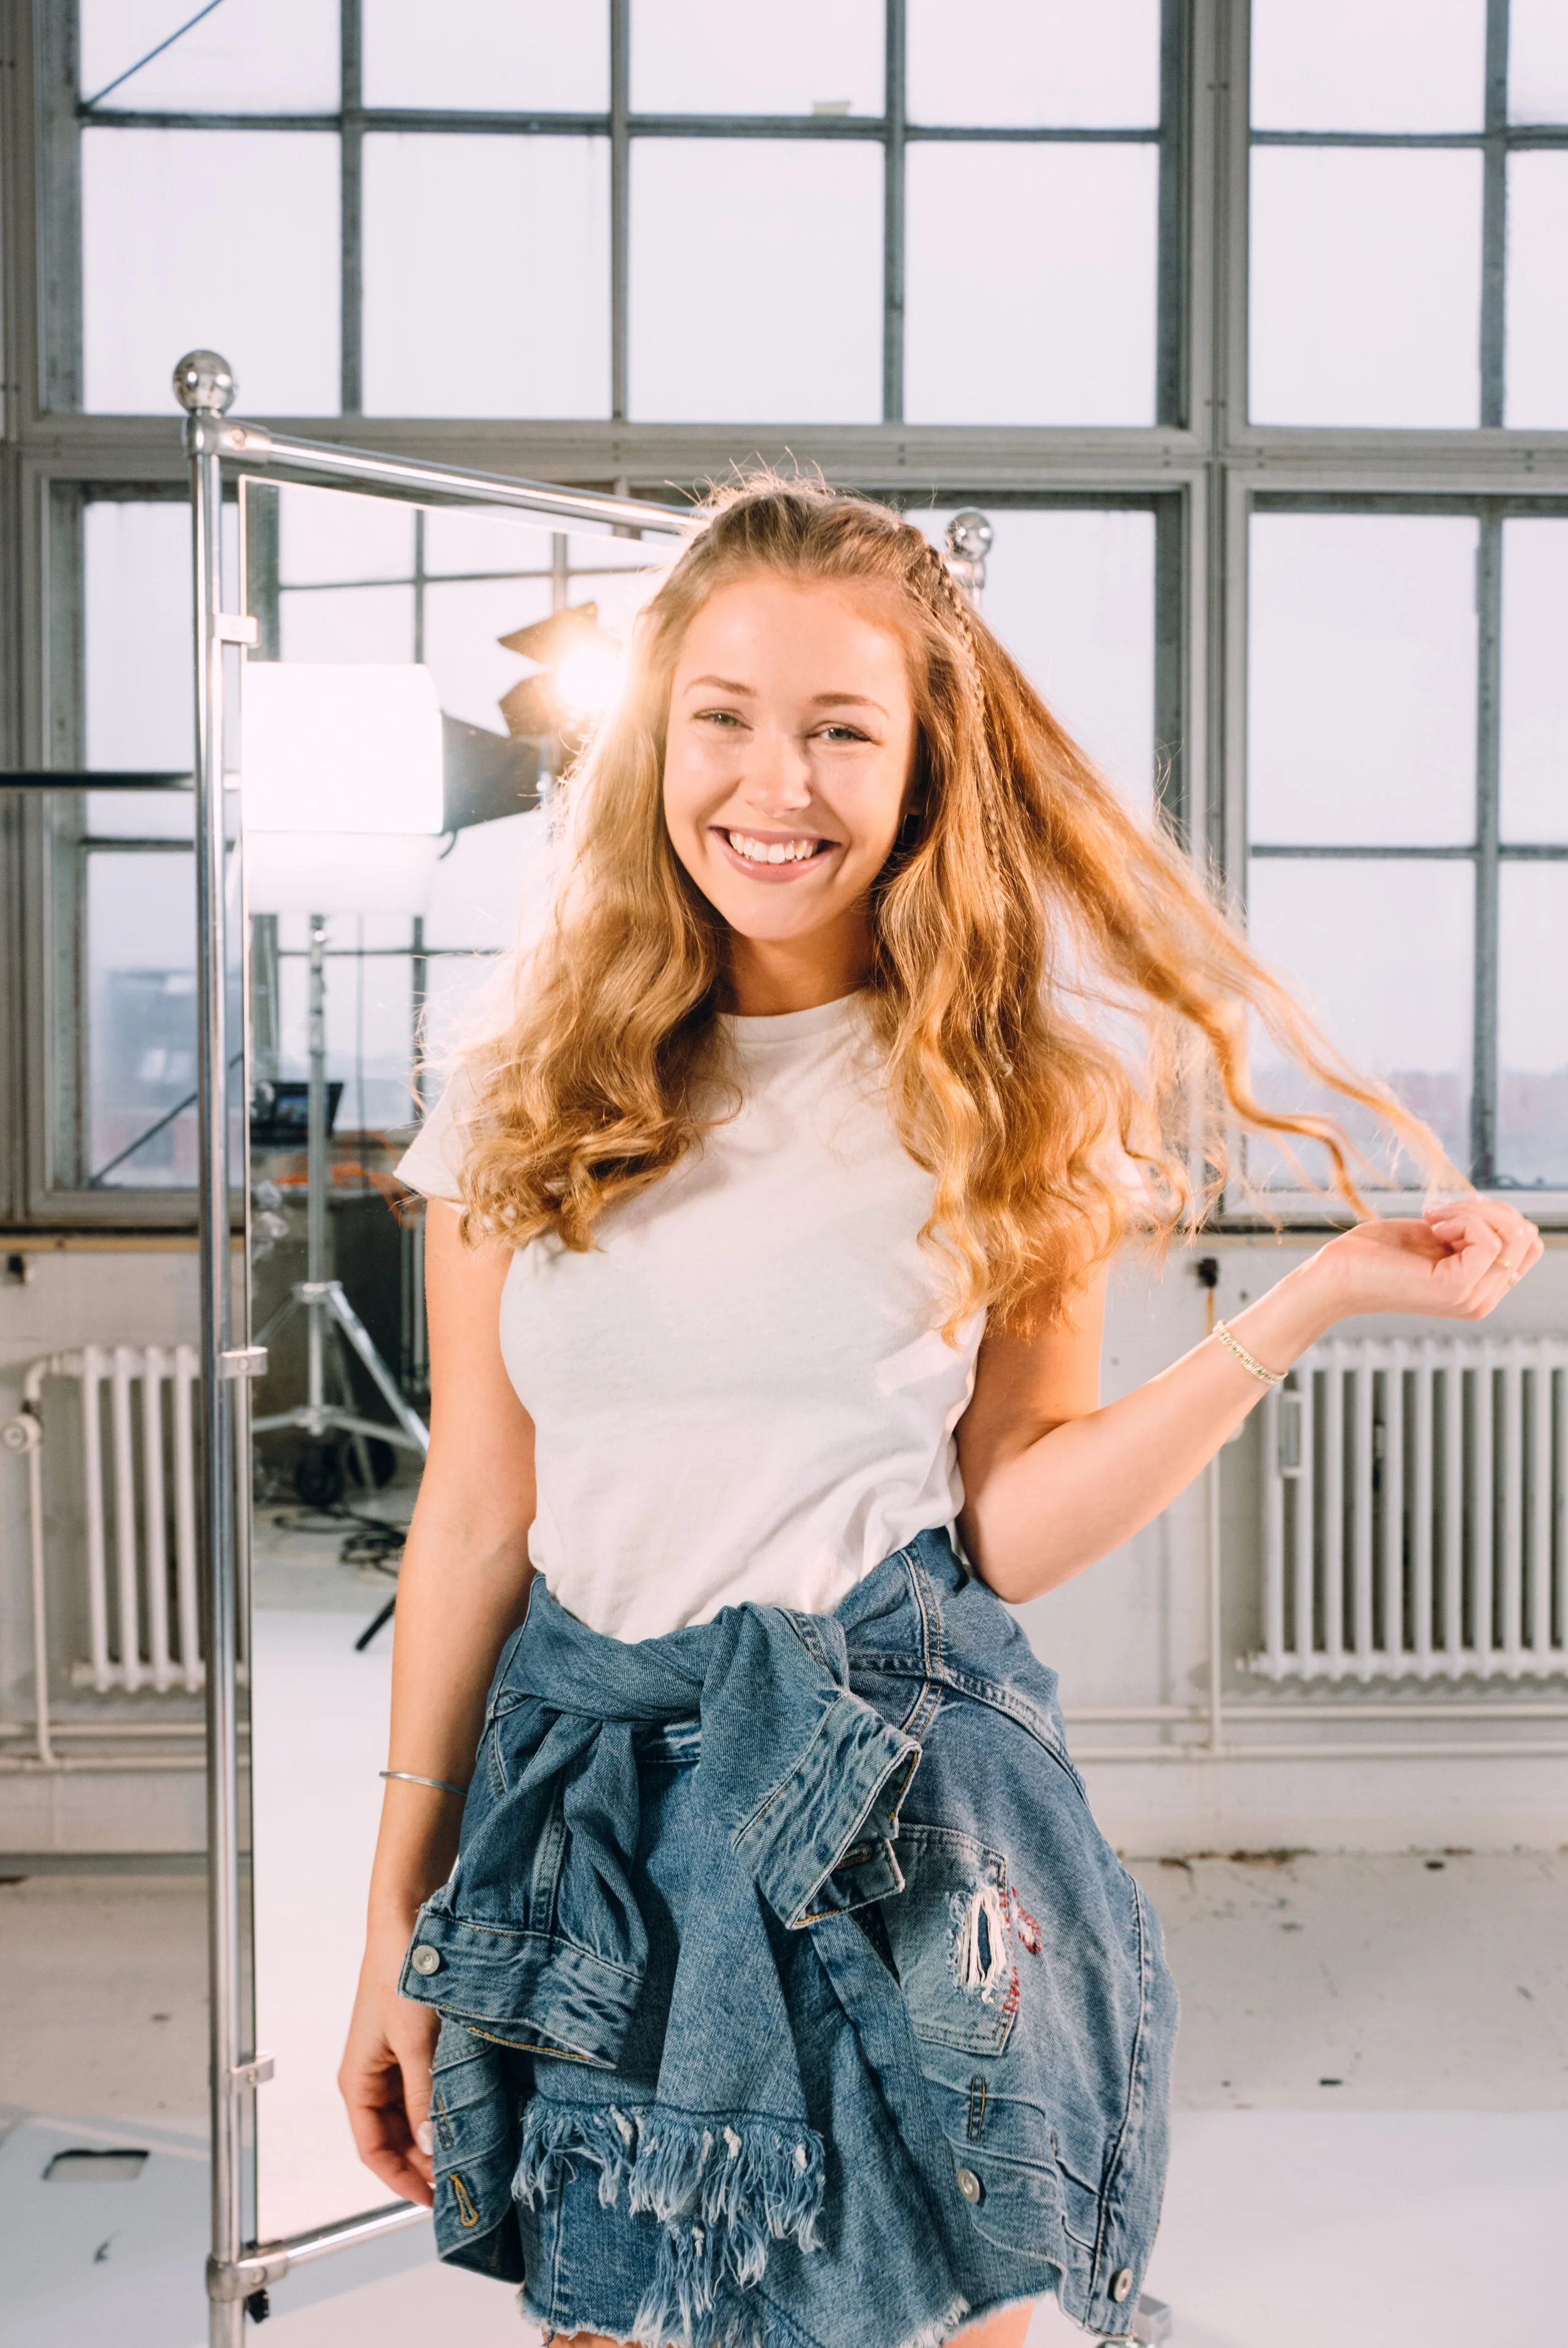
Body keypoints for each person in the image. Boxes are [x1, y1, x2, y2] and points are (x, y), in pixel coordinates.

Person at [339, 480, 1540, 2348]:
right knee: (599, 2326)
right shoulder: (523, 1092)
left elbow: (1005, 1529)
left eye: (841, 728)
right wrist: (389, 1925)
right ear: (657, 736)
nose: (774, 783)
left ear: (920, 767)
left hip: (891, 1826)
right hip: (583, 1831)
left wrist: (1297, 1307)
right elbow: (477, 1518)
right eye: (724, 716)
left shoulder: (1008, 1099)